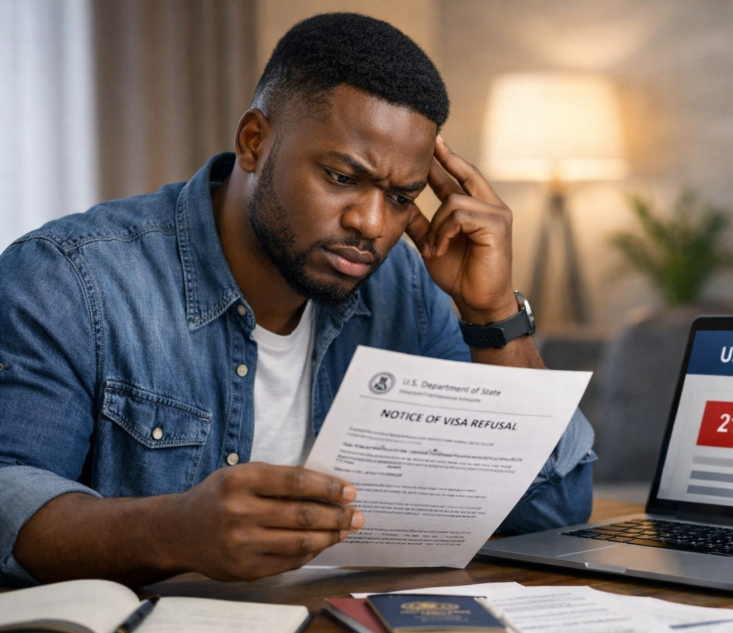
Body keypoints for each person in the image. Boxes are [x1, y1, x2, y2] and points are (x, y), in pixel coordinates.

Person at [0, 13, 595, 587]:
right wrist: (173, 533)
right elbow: (9, 493)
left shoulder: (408, 290)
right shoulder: (69, 279)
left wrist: (491, 316)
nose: (371, 224)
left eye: (401, 198)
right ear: (255, 141)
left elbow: (554, 511)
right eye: (342, 177)